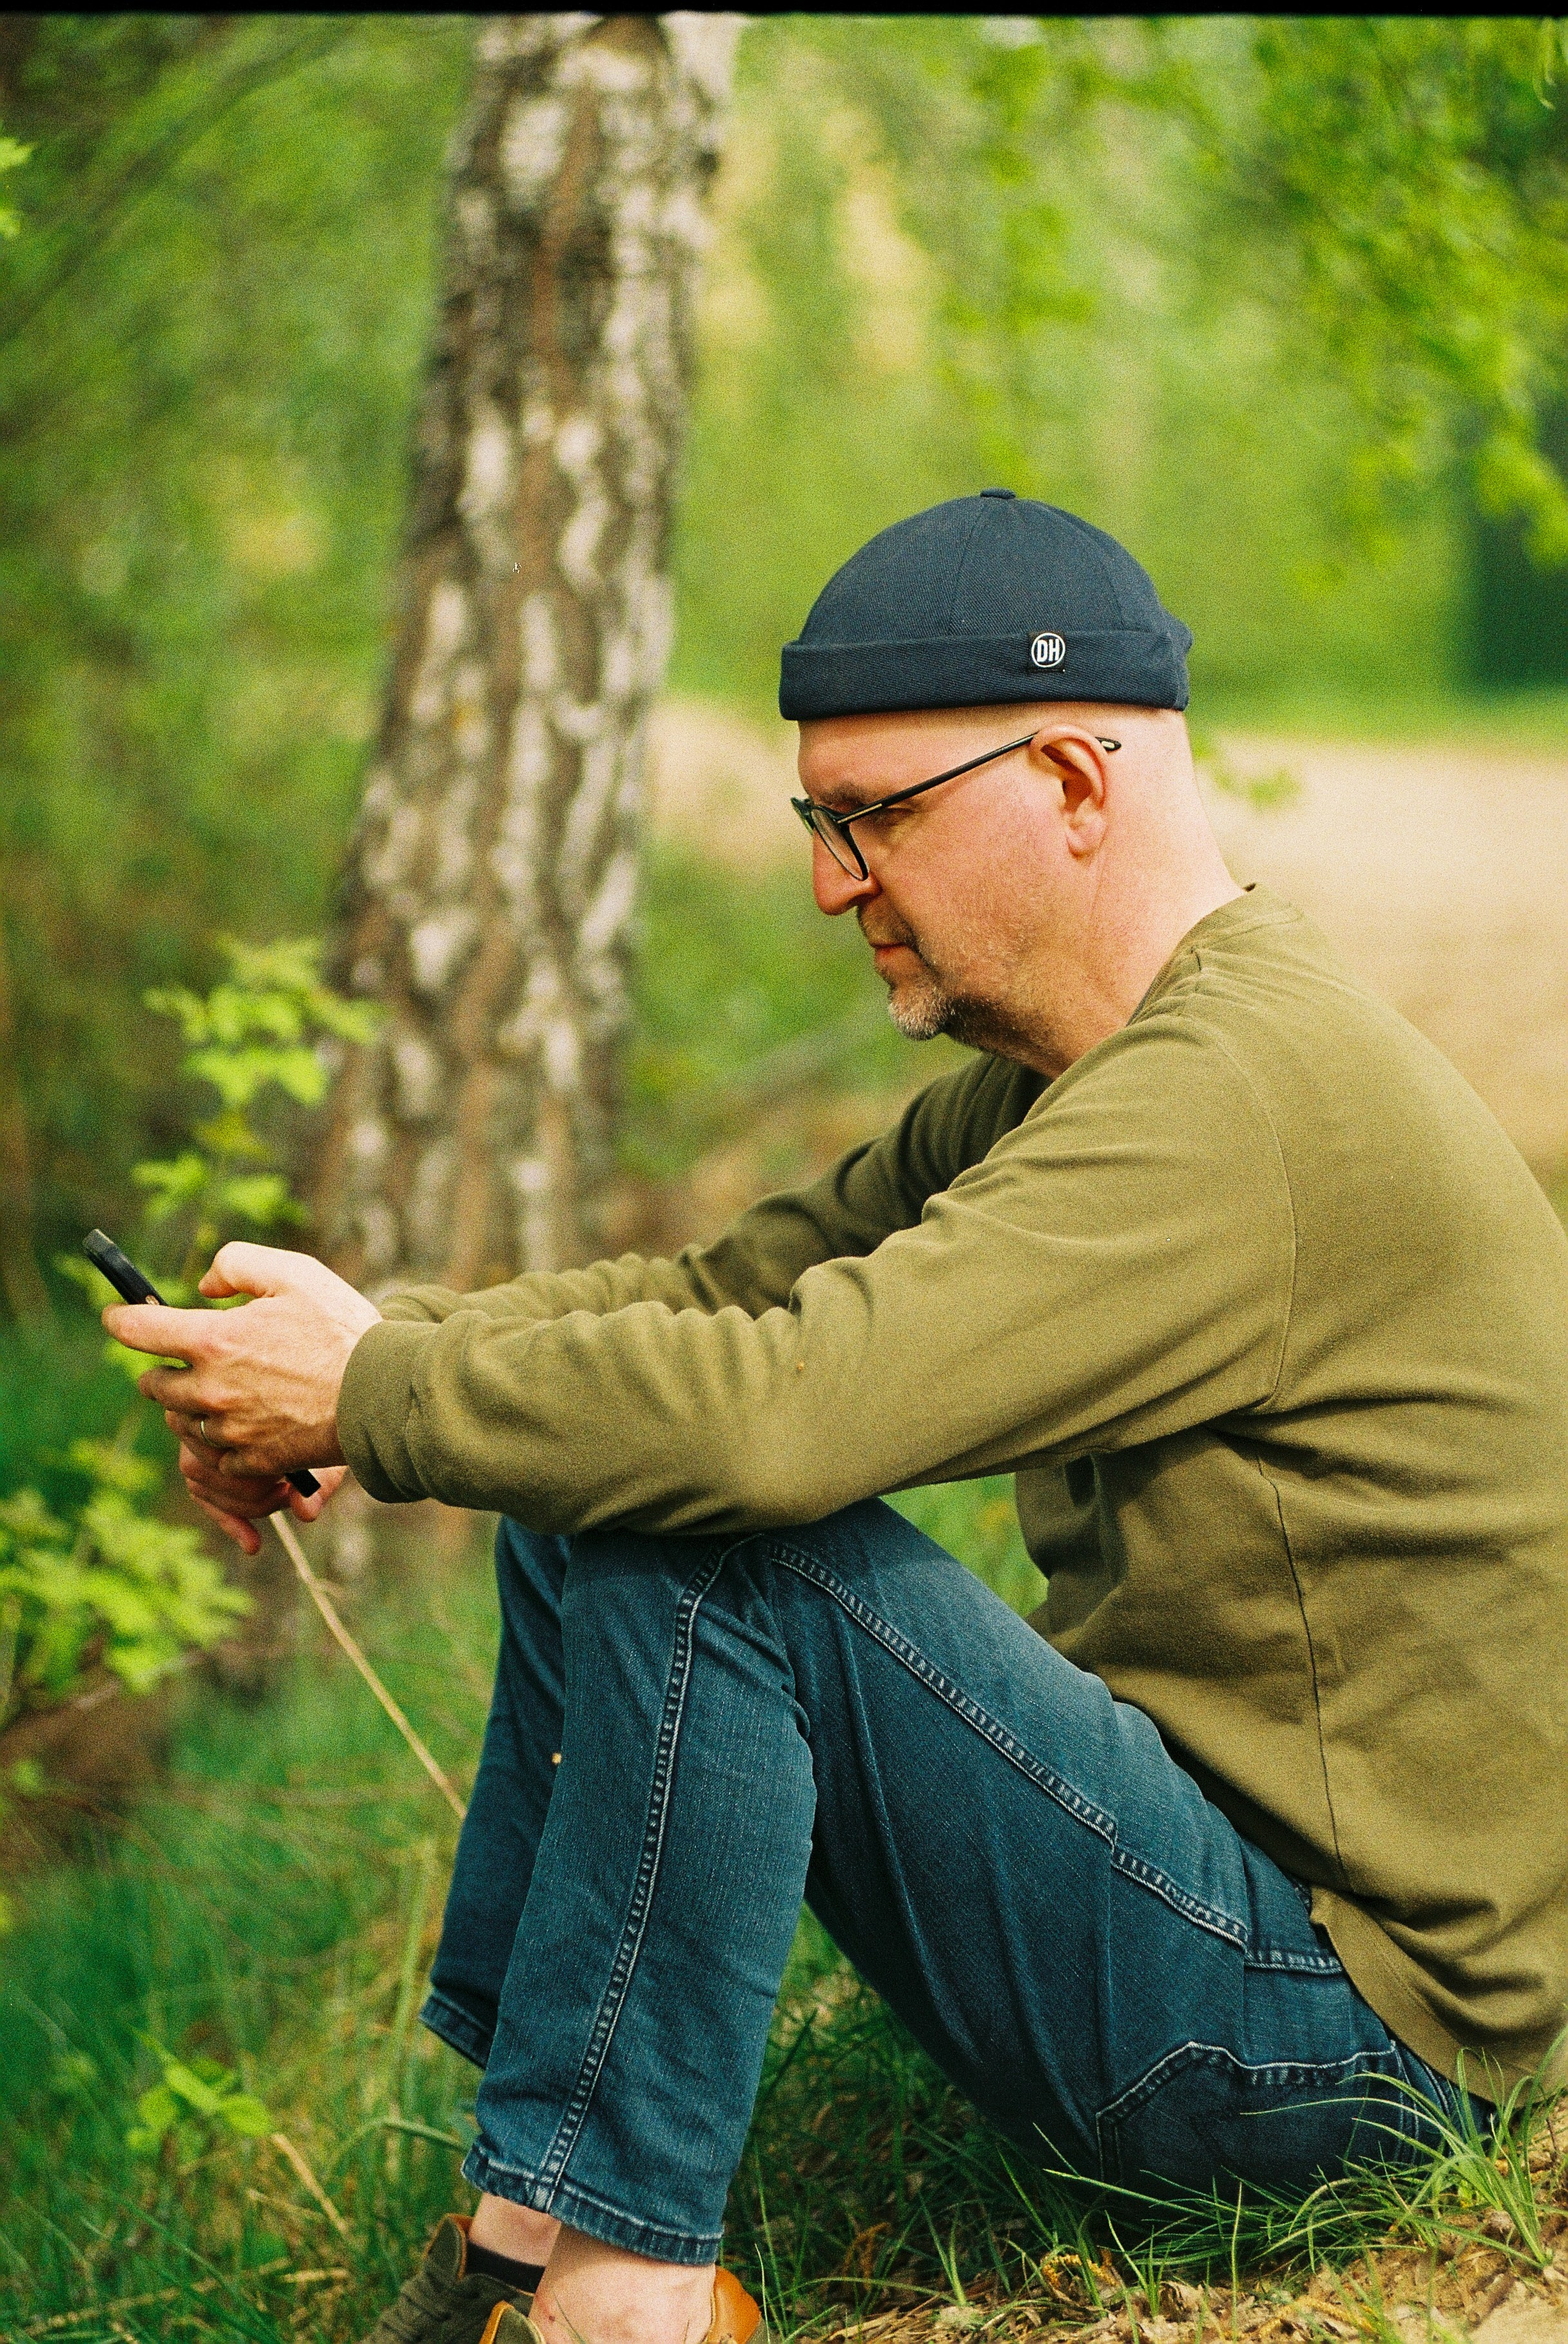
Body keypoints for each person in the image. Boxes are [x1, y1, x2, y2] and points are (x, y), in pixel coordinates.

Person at [107, 494, 1568, 2344]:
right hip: (1223, 1928)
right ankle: (527, 2243)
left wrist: (377, 1392)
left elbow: (768, 1421)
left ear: (1069, 780)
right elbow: (720, 1301)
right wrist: (368, 1353)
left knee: (715, 1524)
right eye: (820, 821)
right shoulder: (1086, 1073)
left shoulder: (1231, 1104)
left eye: (878, 817)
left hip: (1337, 2056)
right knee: (599, 1461)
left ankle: (615, 2295)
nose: (829, 880)